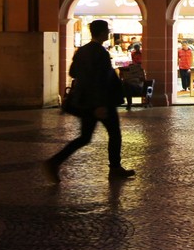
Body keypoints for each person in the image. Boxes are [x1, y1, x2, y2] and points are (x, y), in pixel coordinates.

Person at [47, 19, 134, 181]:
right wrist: (100, 104)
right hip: (101, 102)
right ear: (101, 33)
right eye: (107, 30)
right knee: (114, 134)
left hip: (86, 101)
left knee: (85, 137)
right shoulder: (99, 52)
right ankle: (115, 168)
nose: (108, 33)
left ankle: (54, 162)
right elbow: (99, 80)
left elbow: (73, 72)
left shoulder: (82, 50)